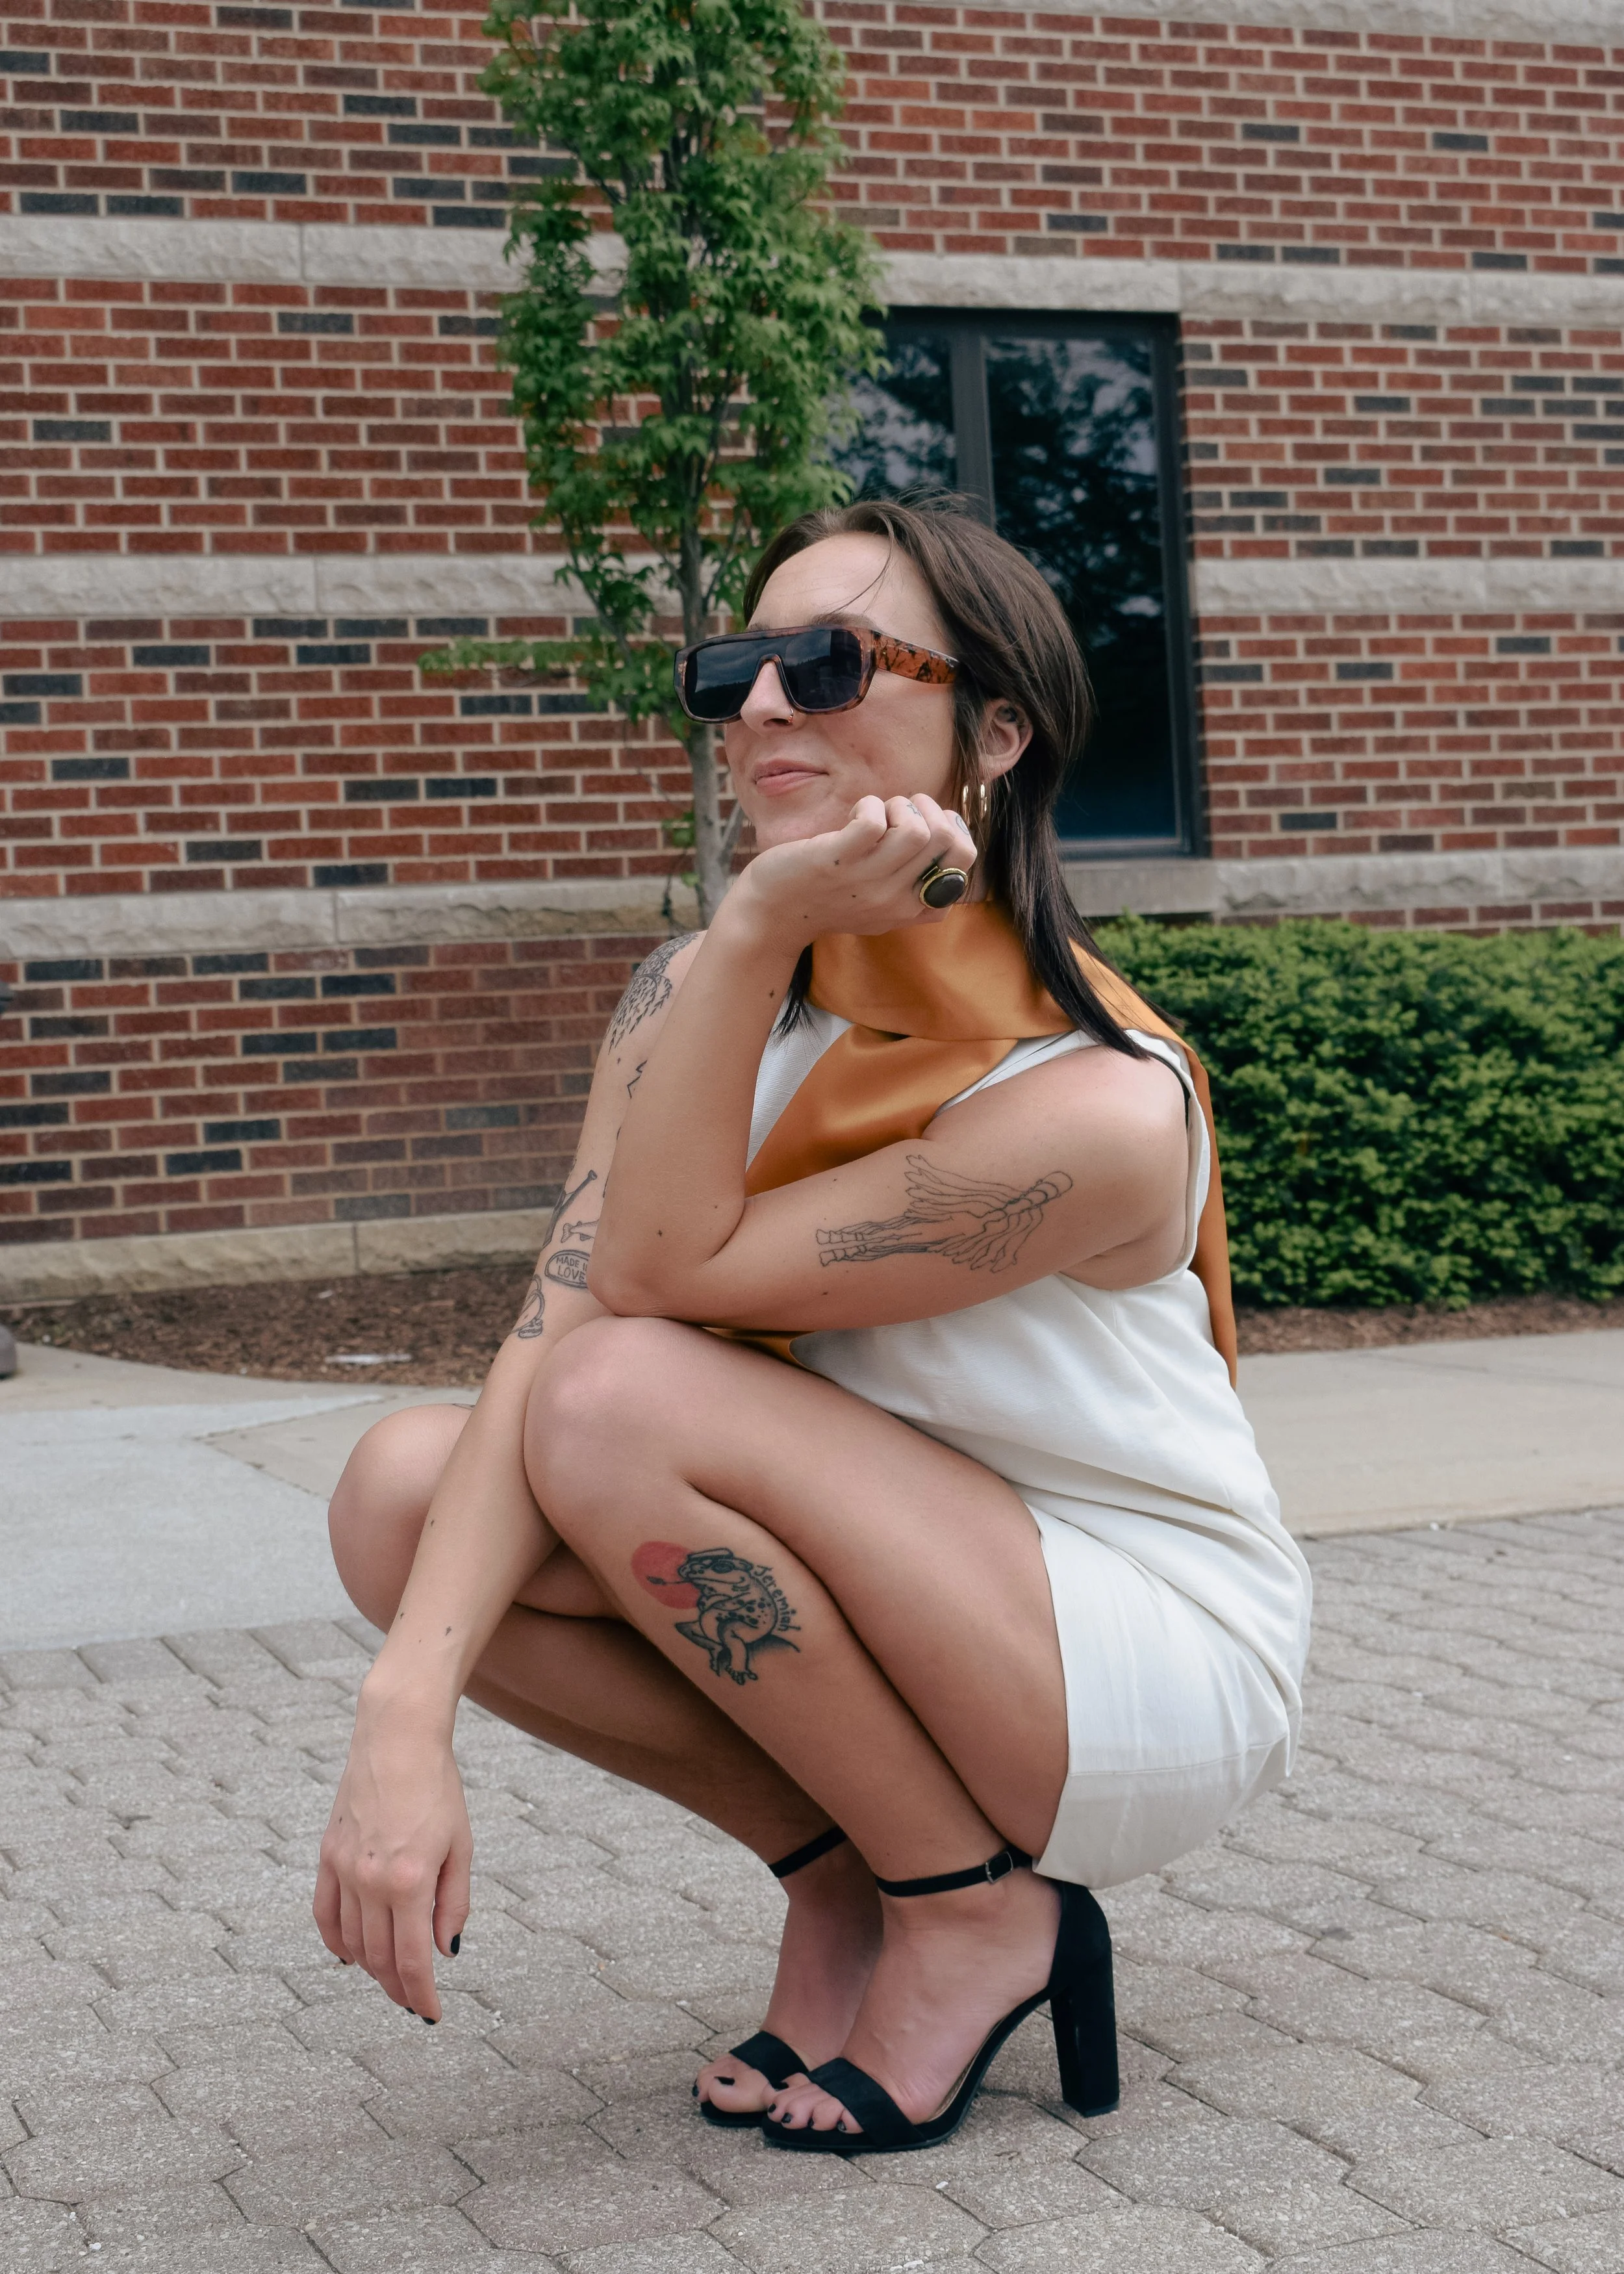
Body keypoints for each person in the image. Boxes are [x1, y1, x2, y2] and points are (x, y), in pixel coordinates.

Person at [316, 496, 1312, 2151]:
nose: (764, 704)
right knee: (401, 1498)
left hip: (1126, 1648)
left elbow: (647, 1288)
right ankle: (851, 1875)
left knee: (622, 1394)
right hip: (877, 1577)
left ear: (996, 729)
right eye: (735, 667)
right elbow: (544, 1328)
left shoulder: (1095, 1104)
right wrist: (397, 1715)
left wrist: (761, 921)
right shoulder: (692, 994)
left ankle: (976, 1910)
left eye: (829, 660)